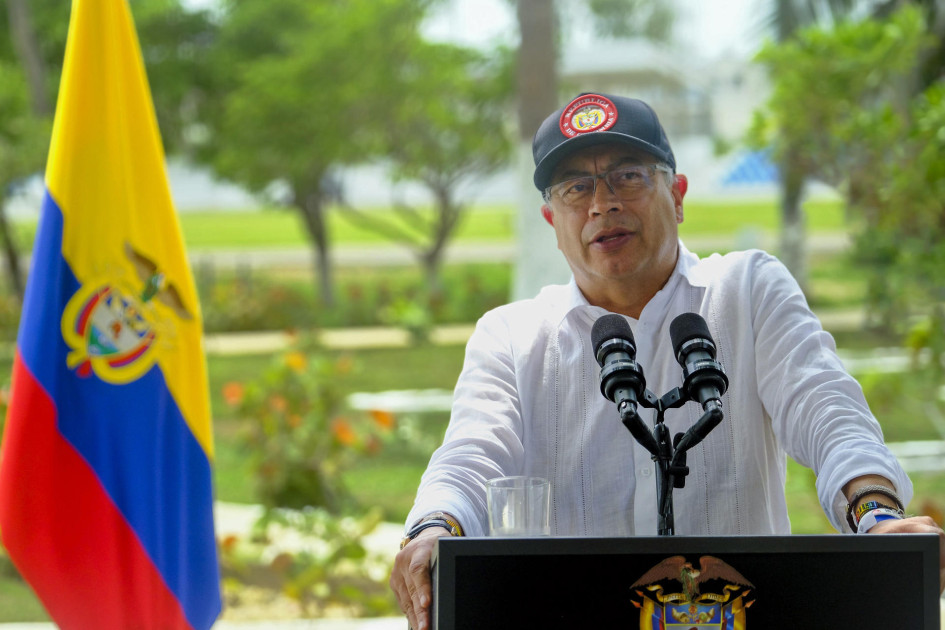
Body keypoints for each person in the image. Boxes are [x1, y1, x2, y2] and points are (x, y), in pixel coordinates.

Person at [389, 92, 945, 630]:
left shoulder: (747, 290)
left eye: (627, 176)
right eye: (576, 187)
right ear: (551, 222)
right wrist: (437, 527)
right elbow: (472, 455)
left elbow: (825, 408)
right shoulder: (510, 336)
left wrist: (875, 515)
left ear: (677, 195)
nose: (602, 203)